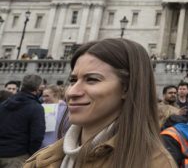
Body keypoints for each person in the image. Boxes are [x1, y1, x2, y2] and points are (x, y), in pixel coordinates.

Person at [24, 38, 176, 167]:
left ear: (127, 88)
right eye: (73, 80)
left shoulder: (155, 163)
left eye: (92, 80)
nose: (71, 92)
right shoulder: (42, 159)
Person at [0, 74, 44, 167]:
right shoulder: (36, 107)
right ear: (38, 88)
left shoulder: (5, 103)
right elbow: (37, 136)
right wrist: (31, 154)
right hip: (18, 156)